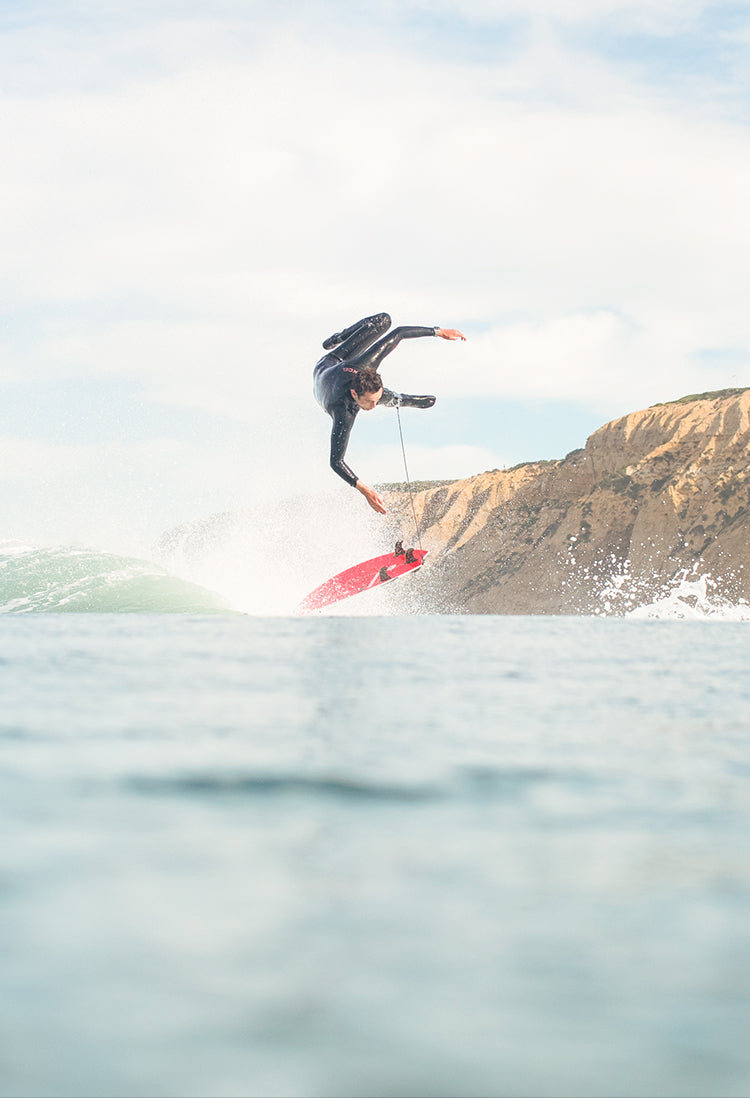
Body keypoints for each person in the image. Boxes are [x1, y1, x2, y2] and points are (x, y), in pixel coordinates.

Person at [312, 312, 466, 514]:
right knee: (386, 398)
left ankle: (340, 338)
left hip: (346, 364)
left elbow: (399, 333)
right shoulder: (343, 412)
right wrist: (364, 490)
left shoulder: (367, 365)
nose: (373, 407)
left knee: (384, 320)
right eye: (369, 403)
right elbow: (336, 462)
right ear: (354, 394)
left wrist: (439, 332)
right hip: (329, 365)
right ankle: (402, 399)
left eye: (376, 400)